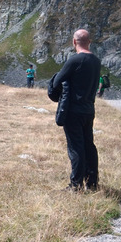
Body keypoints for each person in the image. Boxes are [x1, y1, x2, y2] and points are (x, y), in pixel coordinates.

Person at [48, 29, 102, 192]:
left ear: (74, 42)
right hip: (88, 110)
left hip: (73, 111)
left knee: (76, 147)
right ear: (89, 42)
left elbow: (57, 82)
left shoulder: (75, 61)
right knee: (88, 146)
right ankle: (92, 183)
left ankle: (75, 185)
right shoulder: (96, 61)